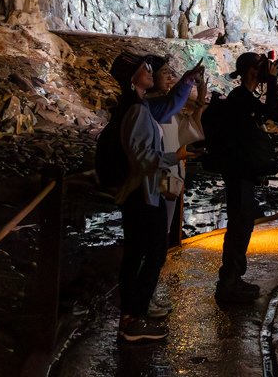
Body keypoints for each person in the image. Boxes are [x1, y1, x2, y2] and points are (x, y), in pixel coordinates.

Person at [109, 51, 203, 342]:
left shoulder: (138, 107)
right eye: (144, 69)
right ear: (132, 79)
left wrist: (188, 82)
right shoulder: (137, 111)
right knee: (152, 253)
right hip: (143, 194)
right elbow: (143, 158)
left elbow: (171, 104)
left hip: (142, 193)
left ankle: (132, 315)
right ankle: (134, 317)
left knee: (138, 254)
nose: (150, 71)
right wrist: (178, 155)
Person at [215, 52, 278, 304]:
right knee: (239, 222)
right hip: (237, 170)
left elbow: (277, 116)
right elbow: (267, 111)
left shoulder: (245, 97)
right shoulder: (239, 97)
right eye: (260, 68)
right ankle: (229, 282)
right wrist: (273, 81)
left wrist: (272, 84)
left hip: (243, 169)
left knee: (243, 221)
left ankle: (233, 279)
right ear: (250, 71)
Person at [142, 61, 209, 317]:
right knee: (153, 242)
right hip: (156, 178)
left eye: (172, 74)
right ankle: (143, 298)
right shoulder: (151, 108)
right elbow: (176, 114)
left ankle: (149, 293)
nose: (170, 77)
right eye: (164, 74)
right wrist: (189, 84)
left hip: (169, 178)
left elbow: (187, 130)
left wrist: (200, 98)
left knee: (160, 240)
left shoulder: (164, 108)